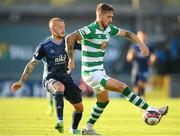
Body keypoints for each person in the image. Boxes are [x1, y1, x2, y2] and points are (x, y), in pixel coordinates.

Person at [65, 3, 168, 135]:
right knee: (122, 87)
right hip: (90, 73)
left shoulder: (109, 29)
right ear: (100, 15)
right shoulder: (89, 29)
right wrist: (71, 59)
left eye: (112, 17)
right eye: (108, 17)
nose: (110, 20)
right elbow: (70, 38)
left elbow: (128, 34)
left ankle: (88, 129)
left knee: (103, 101)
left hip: (99, 71)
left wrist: (142, 45)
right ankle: (152, 109)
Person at [11, 18, 83, 135]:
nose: (63, 29)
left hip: (66, 78)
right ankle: (60, 121)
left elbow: (86, 47)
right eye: (59, 27)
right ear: (52, 29)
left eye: (63, 26)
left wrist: (96, 44)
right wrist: (21, 82)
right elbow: (32, 64)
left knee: (79, 107)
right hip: (50, 79)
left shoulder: (69, 41)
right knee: (59, 87)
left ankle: (73, 130)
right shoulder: (44, 46)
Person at [126, 31, 156, 98]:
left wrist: (152, 60)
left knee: (141, 83)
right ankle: (138, 99)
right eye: (140, 36)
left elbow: (153, 55)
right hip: (136, 69)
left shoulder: (149, 46)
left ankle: (142, 97)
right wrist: (131, 55)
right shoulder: (133, 46)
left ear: (145, 36)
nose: (141, 38)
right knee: (136, 86)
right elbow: (128, 58)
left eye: (143, 36)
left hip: (145, 68)